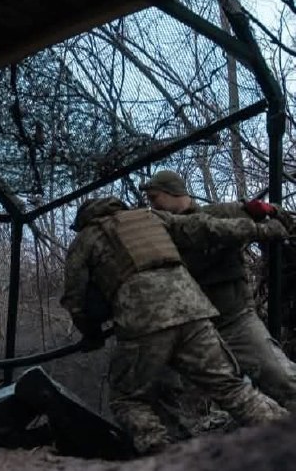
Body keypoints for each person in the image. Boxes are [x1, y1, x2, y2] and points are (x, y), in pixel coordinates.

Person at [61, 197, 289, 454]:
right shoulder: (149, 217)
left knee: (128, 399)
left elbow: (75, 300)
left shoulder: (85, 240)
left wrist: (91, 334)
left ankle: (163, 456)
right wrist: (263, 230)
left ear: (83, 220)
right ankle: (285, 435)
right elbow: (206, 227)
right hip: (193, 310)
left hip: (143, 321)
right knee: (232, 387)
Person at [141, 170, 296, 411]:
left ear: (174, 193)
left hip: (233, 319)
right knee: (155, 388)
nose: (152, 205)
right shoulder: (156, 234)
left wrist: (269, 212)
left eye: (155, 197)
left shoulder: (218, 215)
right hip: (189, 330)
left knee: (279, 376)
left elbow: (274, 215)